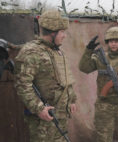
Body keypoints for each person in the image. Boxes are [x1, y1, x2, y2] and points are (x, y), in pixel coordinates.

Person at [14, 10, 77, 142]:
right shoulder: (32, 52)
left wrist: (72, 99)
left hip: (61, 116)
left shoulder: (57, 51)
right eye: (62, 32)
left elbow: (65, 80)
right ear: (52, 32)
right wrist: (39, 108)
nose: (64, 36)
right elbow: (22, 84)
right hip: (43, 120)